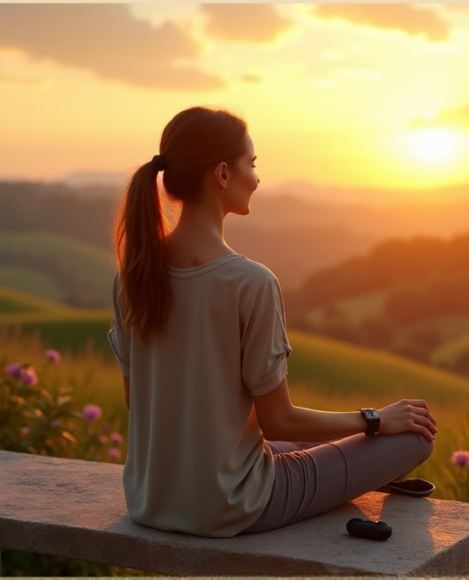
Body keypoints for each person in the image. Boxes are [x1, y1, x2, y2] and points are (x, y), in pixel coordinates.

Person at [107, 106, 437, 538]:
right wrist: (374, 420)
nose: (257, 179)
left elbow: (138, 402)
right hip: (236, 505)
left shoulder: (131, 278)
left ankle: (351, 463)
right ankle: (362, 464)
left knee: (320, 440)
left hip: (151, 499)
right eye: (253, 164)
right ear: (223, 174)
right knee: (414, 437)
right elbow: (280, 421)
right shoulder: (251, 282)